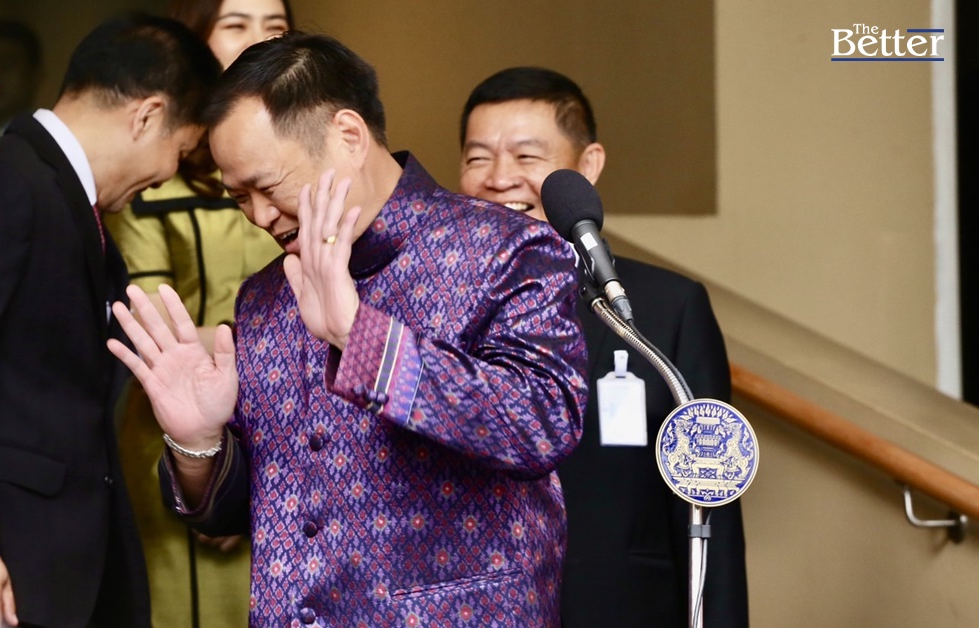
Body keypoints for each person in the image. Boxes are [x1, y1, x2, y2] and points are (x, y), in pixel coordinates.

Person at [109, 32, 587, 626]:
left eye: (268, 186)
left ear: (349, 137)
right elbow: (245, 513)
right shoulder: (264, 298)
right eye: (239, 197)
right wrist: (199, 444)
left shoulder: (506, 249)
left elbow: (542, 423)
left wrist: (359, 336)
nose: (260, 215)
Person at [0, 15, 218, 628]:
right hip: (6, 564)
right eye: (181, 151)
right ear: (147, 116)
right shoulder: (1, 180)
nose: (169, 173)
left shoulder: (66, 198)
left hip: (65, 560)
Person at [458, 66, 750, 627]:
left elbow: (711, 505)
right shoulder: (436, 302)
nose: (499, 178)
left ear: (587, 166)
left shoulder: (669, 307)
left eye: (526, 156)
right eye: (477, 158)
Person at [103, 1, 290, 626]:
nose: (260, 41)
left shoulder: (306, 174)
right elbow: (149, 328)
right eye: (235, 24)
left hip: (289, 436)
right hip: (176, 427)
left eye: (275, 26)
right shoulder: (154, 178)